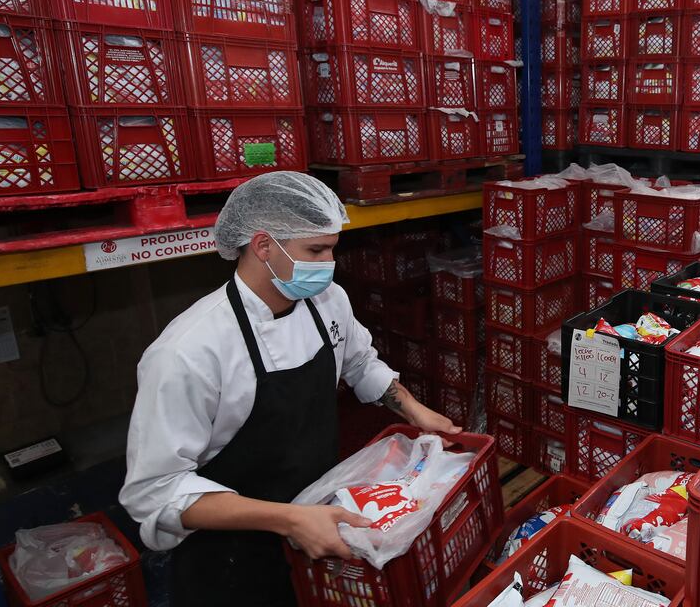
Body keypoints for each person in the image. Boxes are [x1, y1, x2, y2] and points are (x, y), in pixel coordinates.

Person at [119, 172, 459, 607]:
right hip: (234, 560)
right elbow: (154, 491)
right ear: (263, 246)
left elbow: (358, 360)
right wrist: (289, 519)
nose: (328, 264)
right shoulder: (188, 353)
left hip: (320, 523)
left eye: (332, 249)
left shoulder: (328, 300)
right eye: (316, 251)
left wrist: (414, 410)